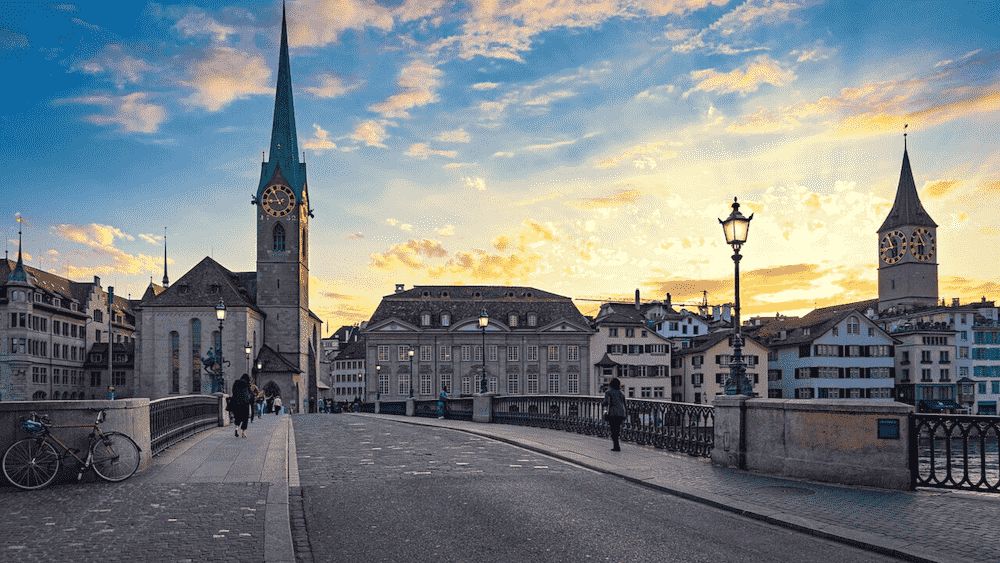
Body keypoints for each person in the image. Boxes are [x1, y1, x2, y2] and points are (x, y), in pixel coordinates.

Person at [602, 377, 627, 452]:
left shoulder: (608, 392)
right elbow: (625, 404)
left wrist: (603, 404)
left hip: (613, 413)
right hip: (621, 413)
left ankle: (616, 446)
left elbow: (605, 403)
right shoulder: (621, 392)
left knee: (613, 430)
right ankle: (617, 445)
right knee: (617, 429)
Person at [231, 374, 253, 438]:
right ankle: (244, 432)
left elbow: (233, 391)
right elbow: (250, 393)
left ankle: (236, 429)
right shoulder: (247, 384)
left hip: (236, 403)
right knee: (245, 418)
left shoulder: (236, 382)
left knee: (237, 416)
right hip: (245, 403)